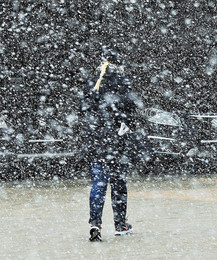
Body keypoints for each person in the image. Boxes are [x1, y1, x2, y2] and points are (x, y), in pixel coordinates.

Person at [80, 46, 147, 241]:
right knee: (118, 184)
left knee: (98, 184)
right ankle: (120, 224)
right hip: (118, 144)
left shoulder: (92, 83)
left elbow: (83, 111)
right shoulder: (123, 84)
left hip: (96, 142)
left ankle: (95, 224)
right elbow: (132, 114)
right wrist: (124, 128)